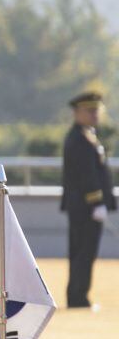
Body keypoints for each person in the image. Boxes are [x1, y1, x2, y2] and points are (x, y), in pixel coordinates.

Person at [60, 91, 115, 309]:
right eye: (90, 111)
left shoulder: (86, 135)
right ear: (77, 113)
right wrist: (96, 203)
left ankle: (78, 295)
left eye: (96, 111)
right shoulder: (79, 138)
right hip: (85, 207)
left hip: (84, 206)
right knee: (83, 252)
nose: (94, 115)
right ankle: (78, 298)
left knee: (83, 252)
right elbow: (86, 175)